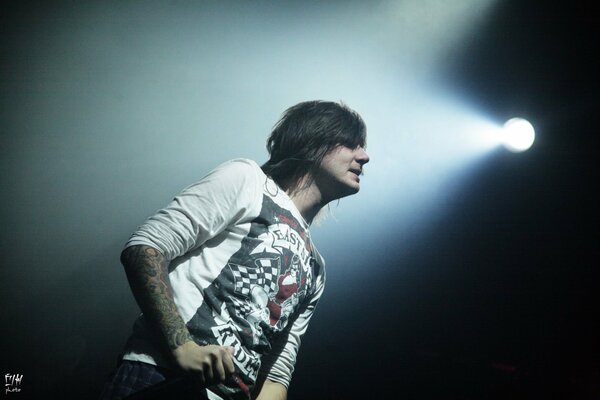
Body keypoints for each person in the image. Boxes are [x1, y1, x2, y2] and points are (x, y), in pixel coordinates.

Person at [100, 100, 370, 400]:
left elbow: (278, 371)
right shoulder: (248, 180)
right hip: (161, 376)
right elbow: (146, 248)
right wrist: (183, 347)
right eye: (351, 144)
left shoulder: (316, 267)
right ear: (313, 141)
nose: (365, 156)